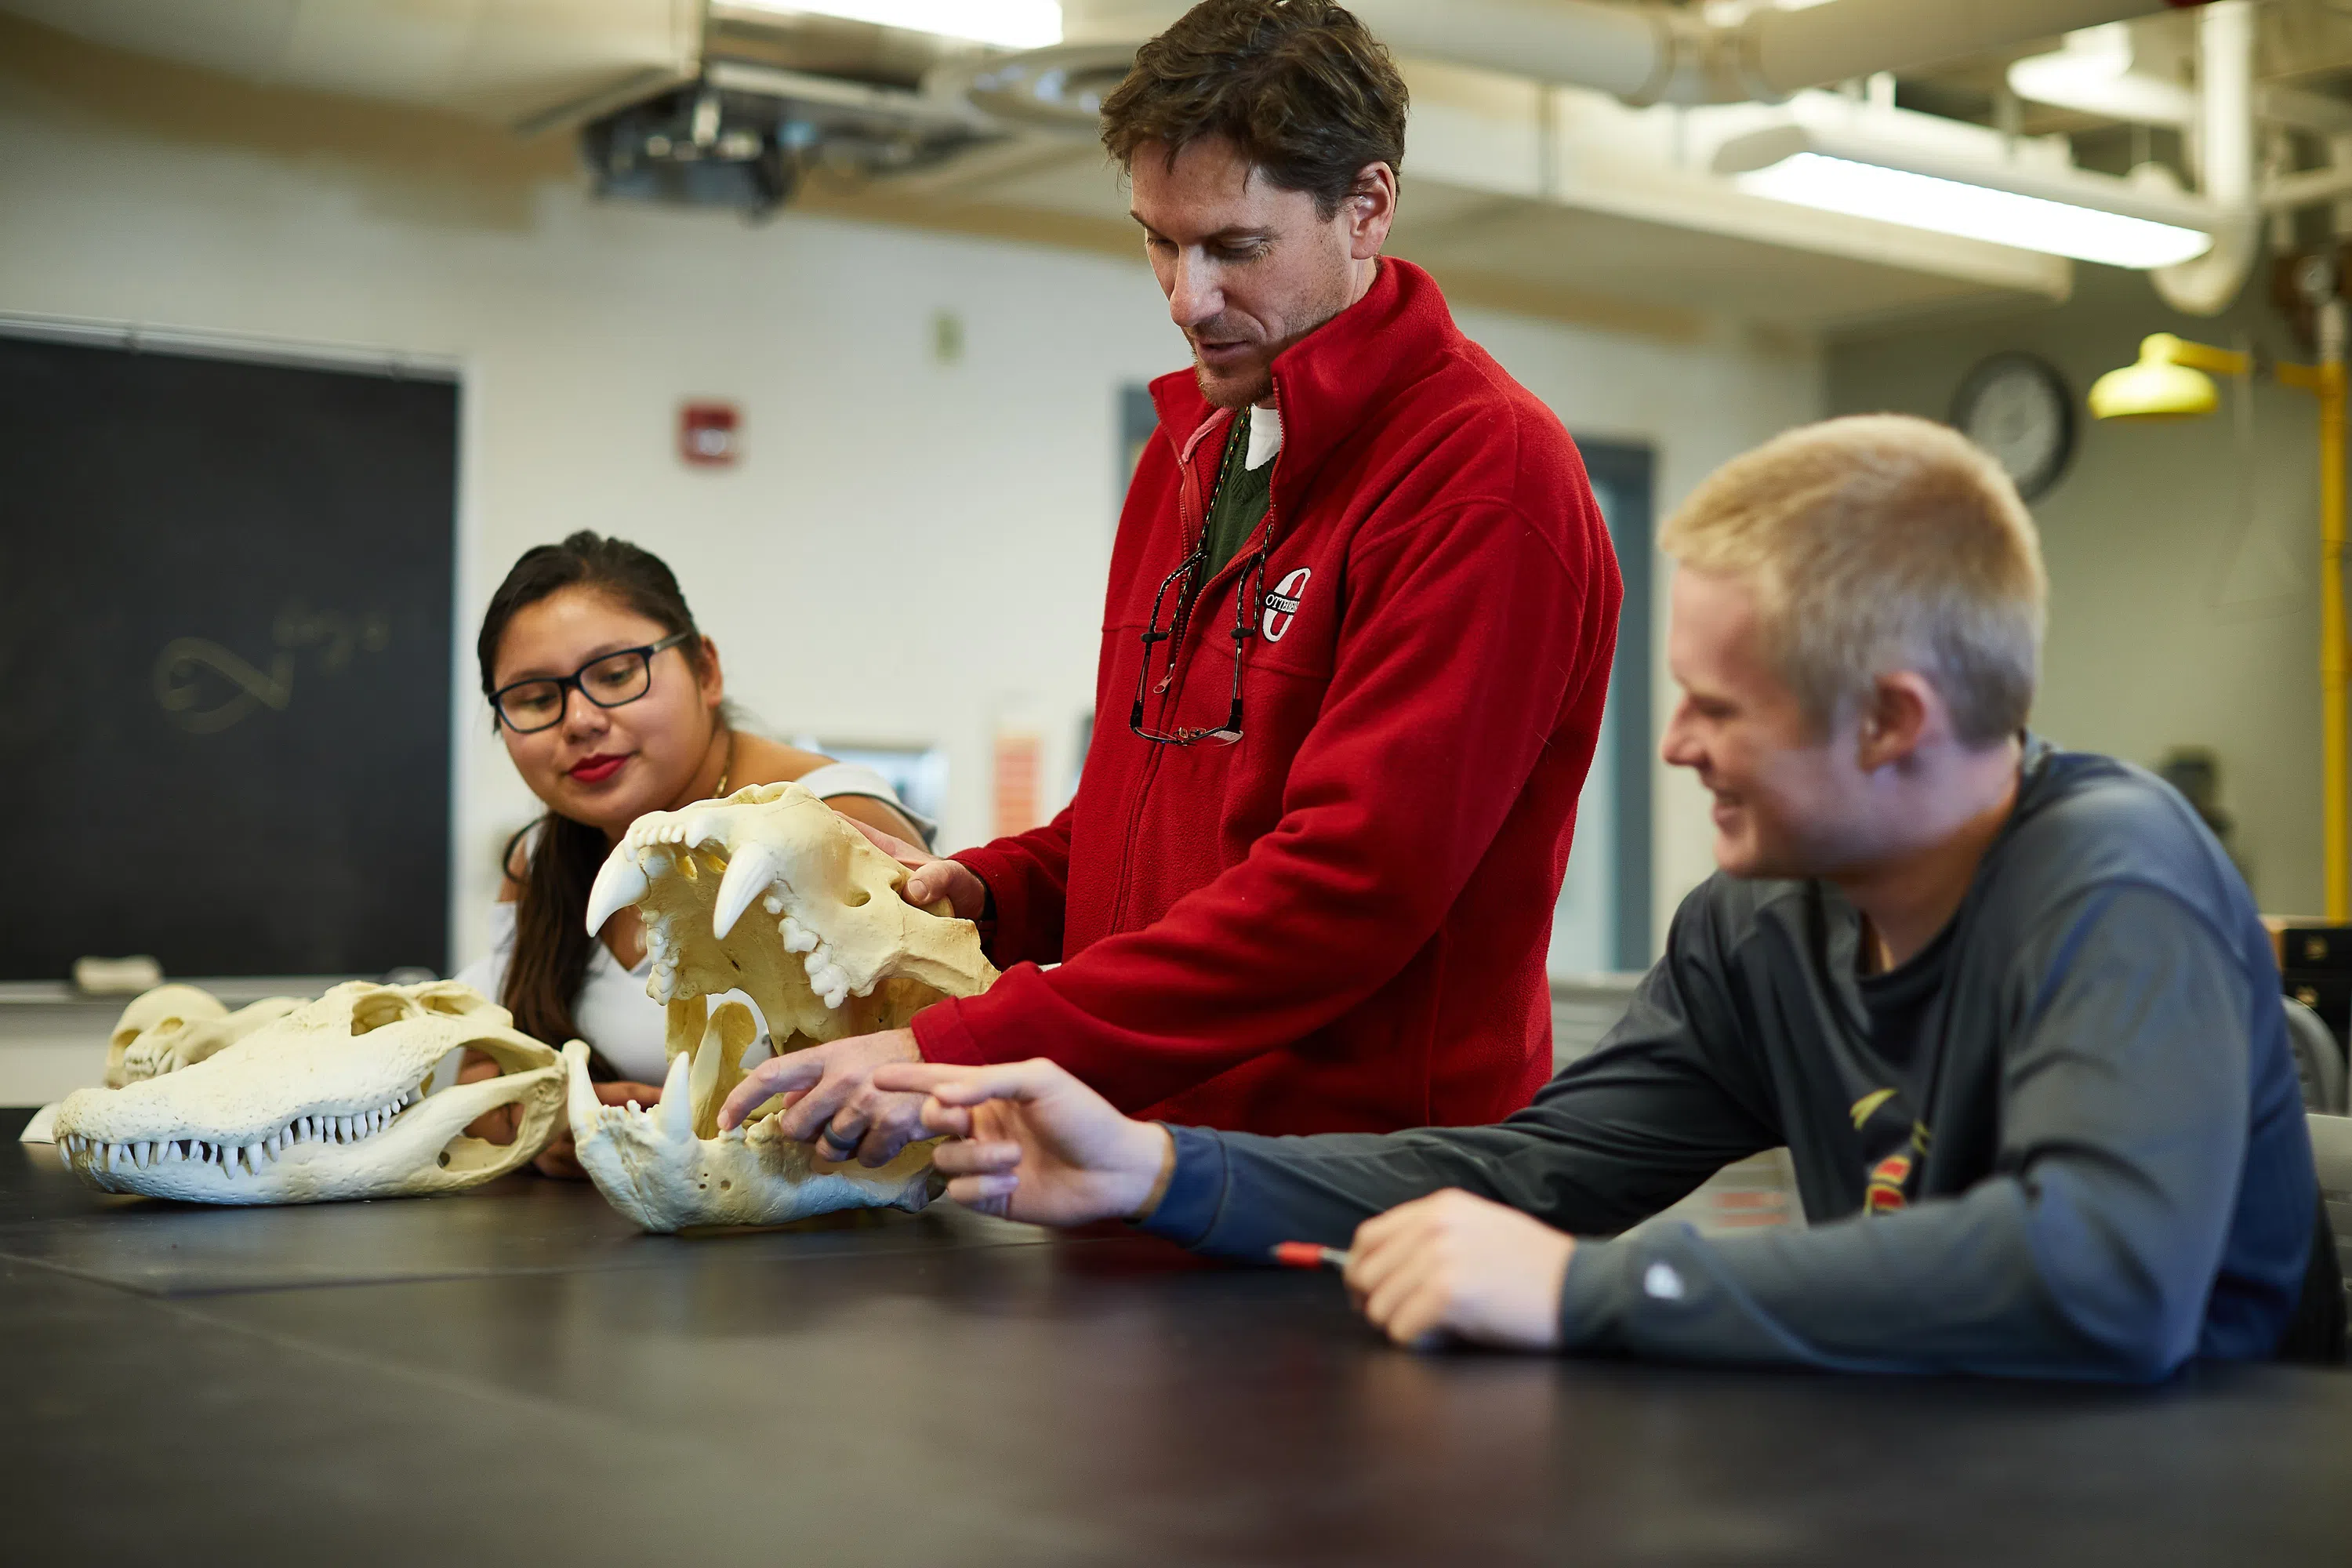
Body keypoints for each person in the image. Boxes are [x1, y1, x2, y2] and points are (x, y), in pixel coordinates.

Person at [870, 415, 2347, 1379]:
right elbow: (1539, 1175)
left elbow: (2102, 1279)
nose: (1676, 743)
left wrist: (1595, 1296)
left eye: (1722, 707)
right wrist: (1161, 1171)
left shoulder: (2118, 883)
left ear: (1892, 722)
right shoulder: (1762, 925)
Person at [719, 0, 1623, 1169]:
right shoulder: (1190, 445)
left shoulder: (1483, 476)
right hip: (1132, 1161)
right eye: (1158, 241)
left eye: (1235, 249)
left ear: (1368, 209)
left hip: (1356, 1181)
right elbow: (1162, 805)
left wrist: (966, 1042)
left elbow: (1346, 889)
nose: (1187, 298)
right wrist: (995, 893)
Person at [454, 531, 928, 1176]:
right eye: (536, 699)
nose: (580, 720)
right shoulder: (542, 858)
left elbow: (921, 1076)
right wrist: (546, 1118)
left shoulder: (837, 822)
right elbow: (480, 1078)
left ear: (706, 670)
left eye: (617, 675)